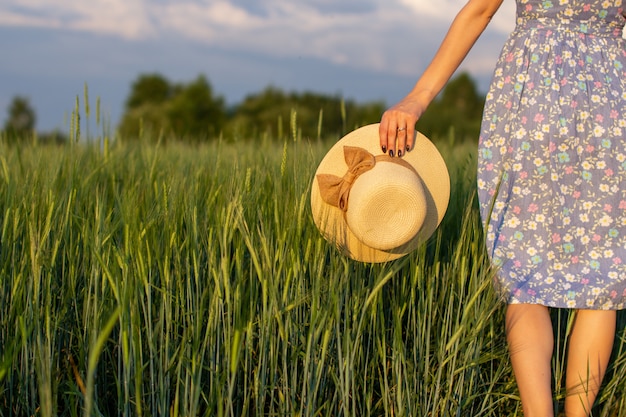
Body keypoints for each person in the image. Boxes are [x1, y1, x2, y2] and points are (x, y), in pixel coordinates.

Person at [379, 1, 626, 416]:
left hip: (530, 100)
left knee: (523, 273)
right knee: (603, 278)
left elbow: (478, 12)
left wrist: (418, 99)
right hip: (610, 106)